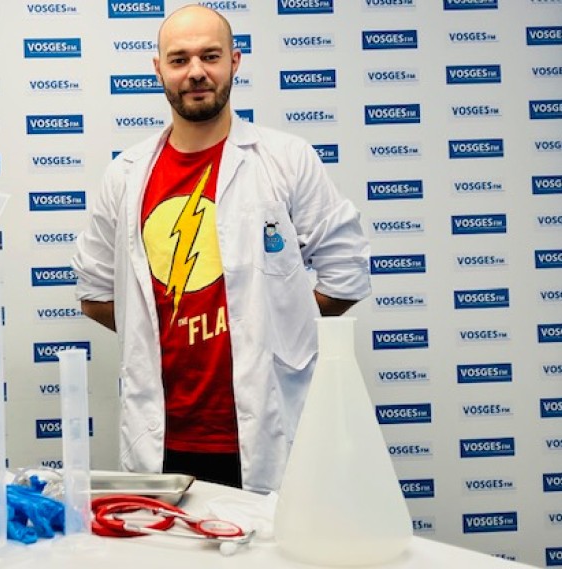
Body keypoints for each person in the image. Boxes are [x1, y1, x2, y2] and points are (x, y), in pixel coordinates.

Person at [71, 4, 371, 493]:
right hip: (162, 435)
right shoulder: (126, 174)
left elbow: (346, 275)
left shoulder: (286, 159)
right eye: (179, 59)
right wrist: (151, 330)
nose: (195, 72)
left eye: (210, 56)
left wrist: (277, 327)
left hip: (269, 425)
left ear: (234, 61)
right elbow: (95, 293)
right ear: (158, 70)